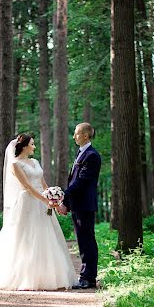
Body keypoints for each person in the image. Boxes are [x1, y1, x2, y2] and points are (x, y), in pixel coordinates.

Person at [0, 134, 77, 290]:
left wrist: (54, 200)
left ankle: (47, 275)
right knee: (25, 237)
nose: (34, 147)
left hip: (43, 203)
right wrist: (46, 200)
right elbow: (27, 187)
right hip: (28, 202)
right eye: (32, 144)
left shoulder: (35, 162)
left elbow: (43, 183)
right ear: (23, 146)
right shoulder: (15, 164)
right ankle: (24, 276)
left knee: (45, 236)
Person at [57, 123, 101, 289]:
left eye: (76, 134)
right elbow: (73, 181)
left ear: (85, 136)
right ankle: (85, 276)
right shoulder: (81, 153)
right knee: (82, 241)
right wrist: (67, 204)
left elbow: (81, 182)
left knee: (87, 241)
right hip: (78, 205)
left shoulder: (92, 156)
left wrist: (63, 195)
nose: (74, 136)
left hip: (85, 205)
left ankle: (88, 278)